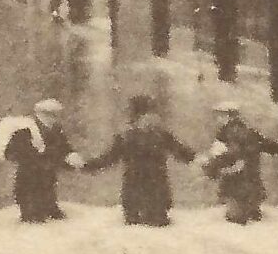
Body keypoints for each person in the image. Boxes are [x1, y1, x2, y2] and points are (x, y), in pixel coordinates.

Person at [78, 95, 194, 227]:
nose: (152, 119)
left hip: (151, 195)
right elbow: (109, 158)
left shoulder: (158, 135)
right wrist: (87, 165)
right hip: (141, 195)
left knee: (153, 223)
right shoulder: (131, 137)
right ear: (138, 117)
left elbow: (181, 151)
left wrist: (198, 160)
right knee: (142, 224)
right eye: (148, 115)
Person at [200, 97, 278, 225]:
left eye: (220, 115)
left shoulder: (228, 134)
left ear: (228, 116)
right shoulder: (249, 131)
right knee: (253, 219)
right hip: (253, 185)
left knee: (235, 223)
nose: (217, 119)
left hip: (236, 186)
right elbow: (270, 146)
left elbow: (231, 156)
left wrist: (210, 168)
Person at [0, 97, 75, 224]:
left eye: (55, 115)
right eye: (49, 115)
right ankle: (31, 214)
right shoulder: (26, 129)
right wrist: (48, 159)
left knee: (48, 188)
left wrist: (70, 155)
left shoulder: (55, 129)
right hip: (29, 172)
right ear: (40, 114)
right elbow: (23, 153)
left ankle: (49, 210)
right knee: (30, 194)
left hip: (45, 170)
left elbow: (63, 146)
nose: (53, 118)